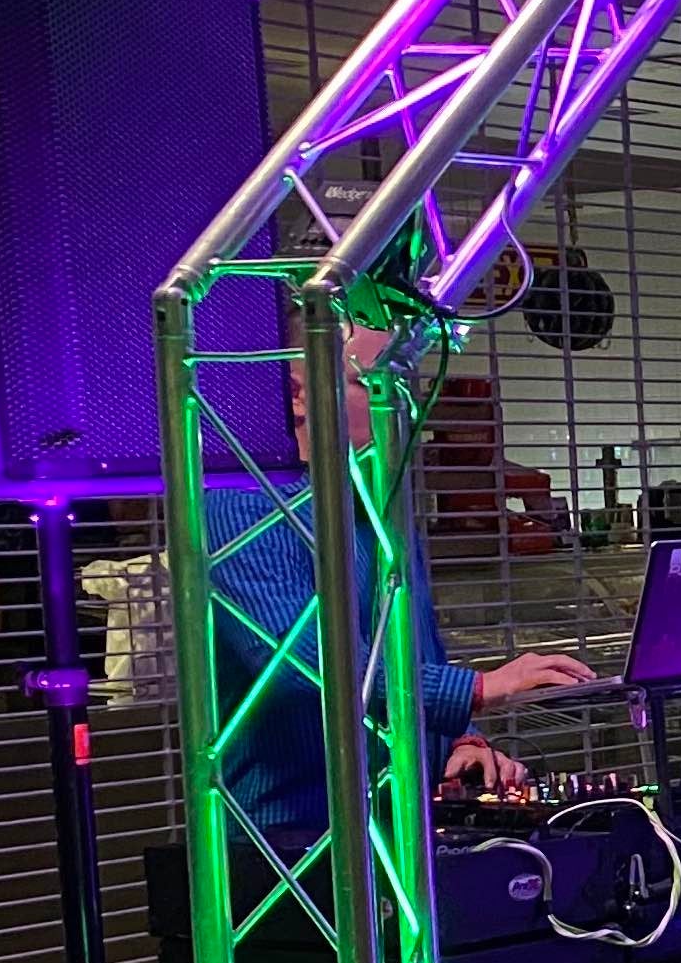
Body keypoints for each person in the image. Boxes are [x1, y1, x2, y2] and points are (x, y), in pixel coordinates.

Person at [202, 321, 599, 832]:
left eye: (405, 388)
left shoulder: (376, 503)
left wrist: (464, 739)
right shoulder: (245, 506)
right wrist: (480, 687)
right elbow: (303, 665)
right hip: (292, 842)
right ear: (299, 396)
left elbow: (414, 659)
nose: (405, 409)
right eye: (375, 387)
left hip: (397, 825)